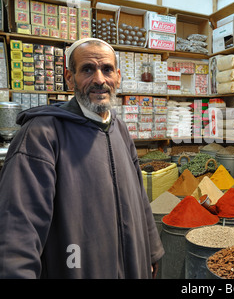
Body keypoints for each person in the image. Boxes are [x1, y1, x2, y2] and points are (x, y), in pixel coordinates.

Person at [0, 38, 164, 278]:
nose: (99, 79)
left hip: (131, 264)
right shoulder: (42, 133)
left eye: (107, 69)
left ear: (117, 77)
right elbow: (18, 225)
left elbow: (139, 196)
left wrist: (151, 251)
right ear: (69, 78)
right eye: (87, 69)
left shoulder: (119, 128)